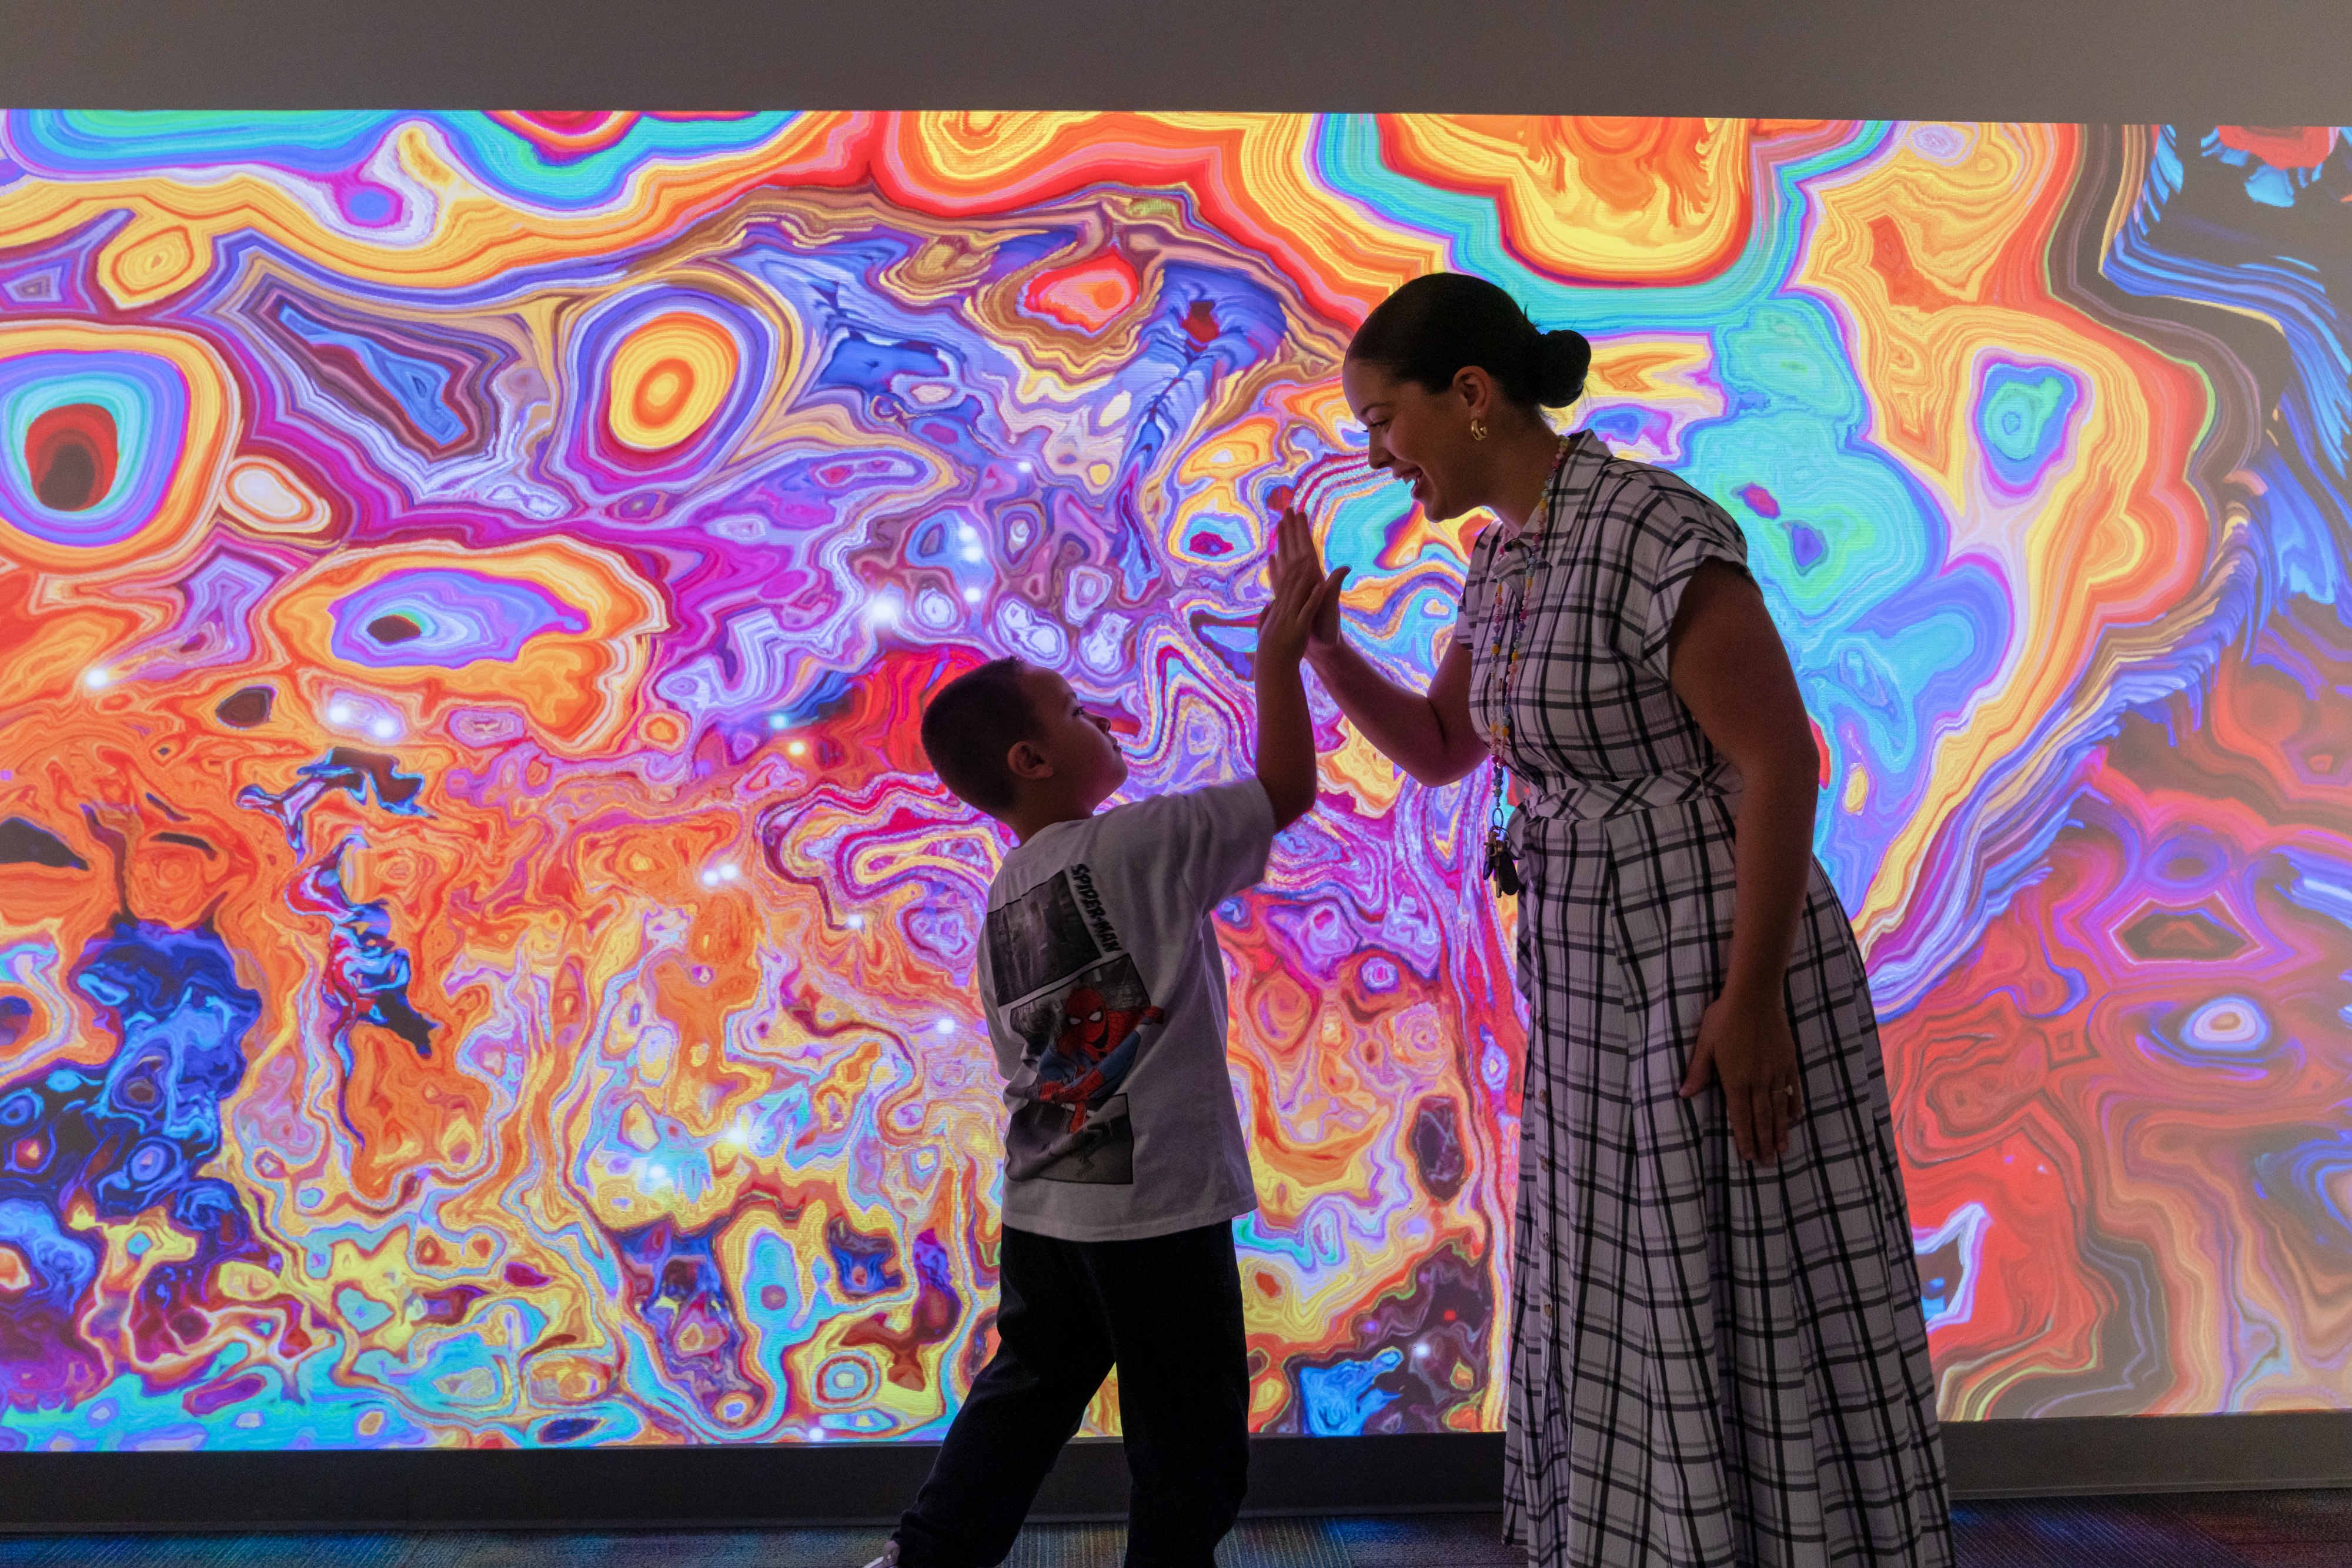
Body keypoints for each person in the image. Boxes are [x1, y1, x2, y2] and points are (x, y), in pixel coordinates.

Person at [1275, 272, 1952, 1567]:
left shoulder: (1651, 529)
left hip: (1709, 955)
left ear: (1470, 397)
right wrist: (1317, 644)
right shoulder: (1509, 555)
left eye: (1382, 417)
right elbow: (1436, 744)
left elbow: (1775, 761)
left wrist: (1749, 1003)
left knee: (1737, 1268)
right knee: (1628, 1279)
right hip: (1592, 974)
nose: (1373, 454)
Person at [868, 547, 1342, 1568]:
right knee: (1190, 1436)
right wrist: (1277, 656)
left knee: (1027, 1393)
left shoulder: (1001, 897)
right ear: (1031, 762)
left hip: (1046, 1201)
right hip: (1156, 1212)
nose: (1108, 721)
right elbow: (1287, 788)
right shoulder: (1140, 844)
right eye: (1080, 712)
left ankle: (928, 1557)